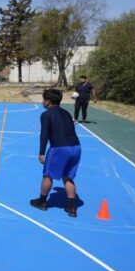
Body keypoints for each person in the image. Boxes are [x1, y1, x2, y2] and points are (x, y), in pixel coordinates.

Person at [30, 89, 82, 217]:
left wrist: (42, 152)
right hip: (76, 147)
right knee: (68, 176)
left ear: (47, 101)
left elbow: (44, 135)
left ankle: (42, 202)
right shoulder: (66, 113)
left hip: (60, 148)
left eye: (43, 100)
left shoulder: (46, 115)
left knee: (48, 175)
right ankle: (71, 206)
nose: (43, 102)